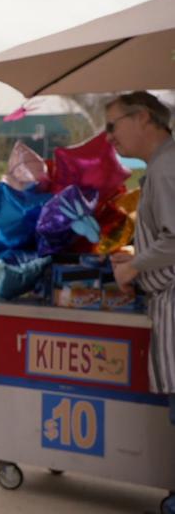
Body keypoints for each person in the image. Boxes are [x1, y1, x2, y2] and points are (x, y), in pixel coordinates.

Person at [107, 92, 175, 513]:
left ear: (143, 118)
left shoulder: (166, 170)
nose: (109, 136)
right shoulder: (161, 168)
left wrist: (133, 270)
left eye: (113, 125)